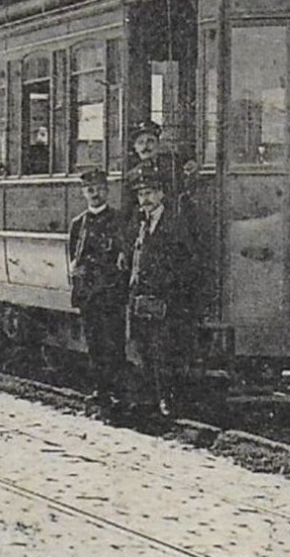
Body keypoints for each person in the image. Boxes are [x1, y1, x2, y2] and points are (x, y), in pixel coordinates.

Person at [125, 171, 197, 414]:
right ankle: (149, 401)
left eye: (149, 194)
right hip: (141, 298)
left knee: (163, 351)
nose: (144, 199)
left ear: (161, 195)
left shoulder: (174, 223)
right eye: (141, 194)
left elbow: (185, 261)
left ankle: (167, 400)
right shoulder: (139, 221)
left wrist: (166, 290)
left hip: (164, 299)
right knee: (143, 348)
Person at [66, 168, 128, 404]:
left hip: (110, 293)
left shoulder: (118, 219)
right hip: (88, 295)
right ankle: (101, 390)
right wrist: (75, 271)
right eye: (89, 189)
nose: (95, 194)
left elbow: (122, 257)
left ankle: (118, 392)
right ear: (84, 193)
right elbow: (75, 257)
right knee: (94, 345)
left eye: (99, 189)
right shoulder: (78, 224)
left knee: (114, 343)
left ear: (107, 191)